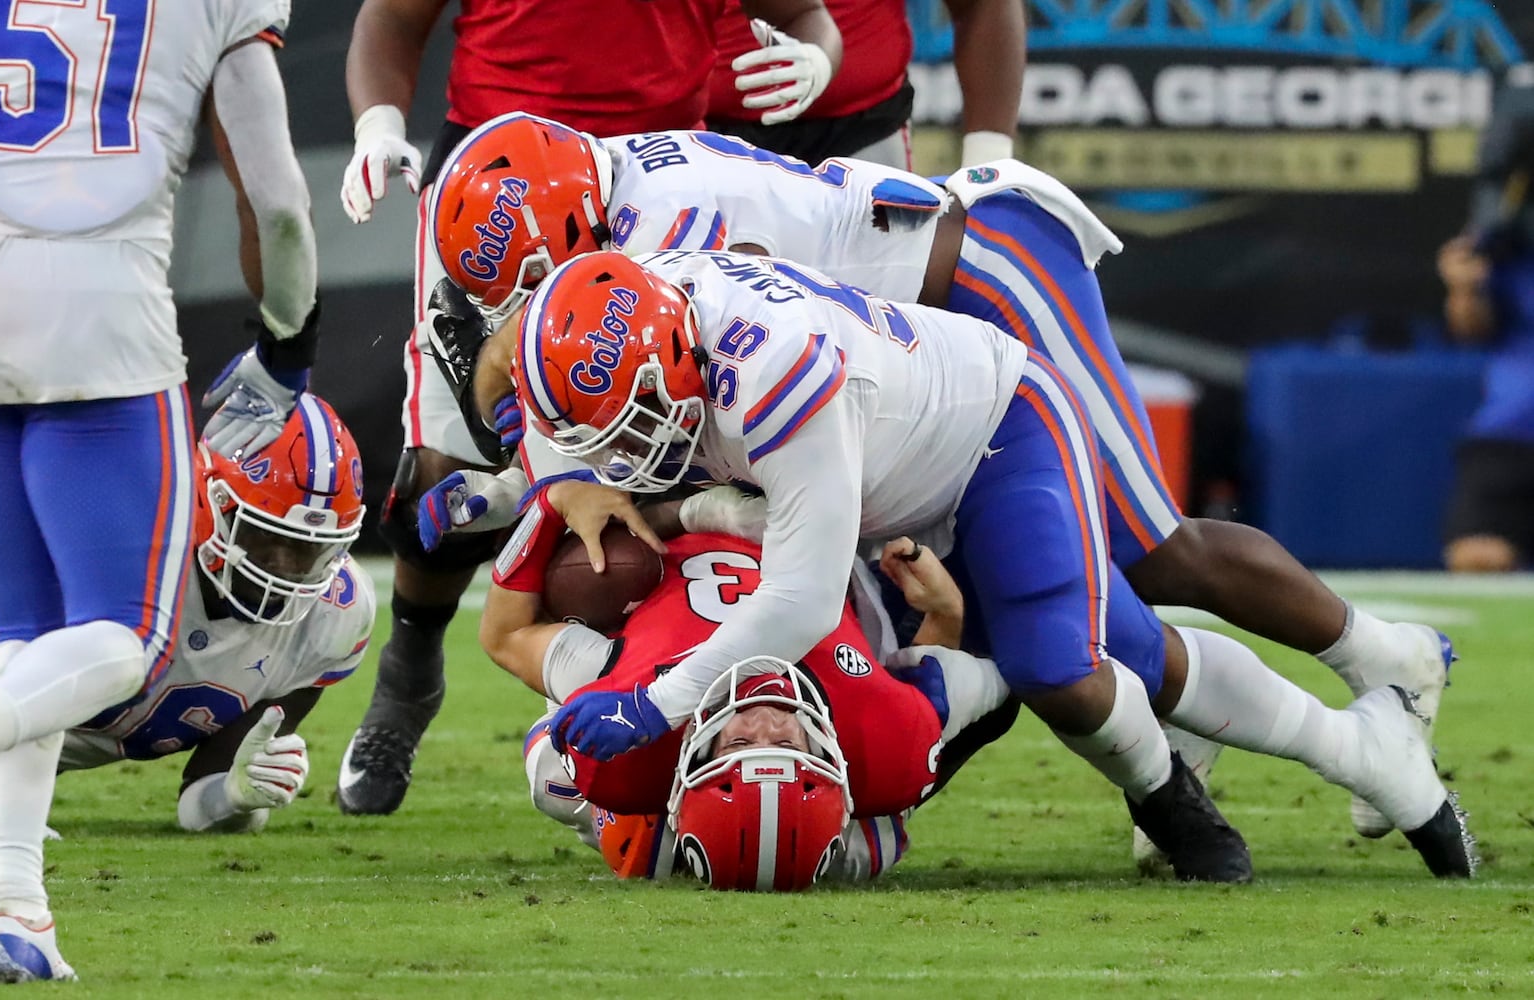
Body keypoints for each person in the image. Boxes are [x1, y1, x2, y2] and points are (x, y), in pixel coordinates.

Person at [422, 113, 1456, 841]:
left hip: (983, 282)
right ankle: (1195, 721)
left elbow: (724, 407)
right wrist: (545, 471)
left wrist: (541, 477)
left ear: (565, 232)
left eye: (518, 287)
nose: (515, 315)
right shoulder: (604, 204)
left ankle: (1387, 657)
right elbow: (559, 372)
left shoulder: (665, 239)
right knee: (1038, 611)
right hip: (893, 359)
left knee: (1152, 548)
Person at [515, 250, 1477, 882]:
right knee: (1131, 654)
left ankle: (1193, 799)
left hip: (991, 433)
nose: (630, 452)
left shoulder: (776, 377)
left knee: (1058, 664)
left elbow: (800, 601)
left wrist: (652, 704)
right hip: (877, 484)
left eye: (637, 423)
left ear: (678, 359)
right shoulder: (654, 302)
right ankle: (1363, 748)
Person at [334, 0, 843, 817]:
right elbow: (391, 21)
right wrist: (378, 124)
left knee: (656, 452)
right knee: (446, 468)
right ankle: (408, 674)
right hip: (495, 197)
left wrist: (817, 58)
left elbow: (810, 18)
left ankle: (647, 689)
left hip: (646, 198)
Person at [0, 0, 320, 979]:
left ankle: (17, 913)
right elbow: (277, 197)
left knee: (26, 645)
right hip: (98, 311)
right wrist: (290, 334)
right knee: (127, 640)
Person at [483, 513, 1010, 889]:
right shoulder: (882, 748)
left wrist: (546, 504)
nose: (765, 718)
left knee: (621, 829)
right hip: (822, 519)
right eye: (784, 741)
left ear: (696, 753)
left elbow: (504, 635)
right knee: (876, 835)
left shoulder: (621, 736)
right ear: (830, 759)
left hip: (659, 506)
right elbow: (996, 689)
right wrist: (947, 616)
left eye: (741, 741)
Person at [0, 397, 372, 836]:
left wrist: (237, 797)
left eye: (312, 549)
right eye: (265, 538)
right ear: (206, 501)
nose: (285, 570)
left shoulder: (333, 618)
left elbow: (202, 800)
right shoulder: (120, 537)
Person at [705, 0, 1023, 169]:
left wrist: (987, 166)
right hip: (702, 138)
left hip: (862, 129)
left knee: (885, 289)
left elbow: (981, 4)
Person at [1437, 74, 1534, 573]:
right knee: (1477, 556)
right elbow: (1471, 330)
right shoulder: (1509, 238)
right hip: (1515, 424)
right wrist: (1464, 286)